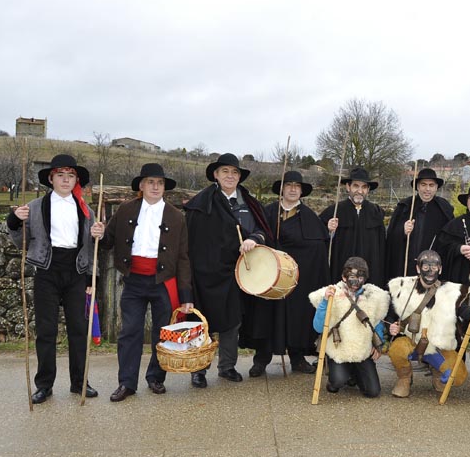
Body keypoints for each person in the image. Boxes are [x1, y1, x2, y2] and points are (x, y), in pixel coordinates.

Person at [90, 164, 194, 401]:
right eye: (150, 182)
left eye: (160, 183)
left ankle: (156, 378)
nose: (155, 187)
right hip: (134, 281)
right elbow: (108, 242)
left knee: (162, 332)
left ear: (164, 187)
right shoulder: (126, 210)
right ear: (141, 185)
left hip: (163, 281)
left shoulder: (177, 217)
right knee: (130, 332)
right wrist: (99, 232)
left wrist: (186, 296)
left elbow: (183, 258)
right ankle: (127, 383)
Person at [6, 153, 98, 403]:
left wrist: (98, 238)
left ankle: (79, 382)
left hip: (76, 271)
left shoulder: (86, 210)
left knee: (79, 330)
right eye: (61, 176)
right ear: (51, 178)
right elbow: (20, 242)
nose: (66, 180)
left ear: (76, 180)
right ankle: (44, 385)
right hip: (46, 270)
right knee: (46, 331)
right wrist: (15, 221)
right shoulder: (35, 207)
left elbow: (91, 248)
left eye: (71, 176)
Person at [184, 153, 271, 388]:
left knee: (232, 321)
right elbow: (190, 241)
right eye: (225, 171)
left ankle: (227, 367)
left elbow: (263, 231)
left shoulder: (248, 203)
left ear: (240, 177)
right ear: (215, 174)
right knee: (202, 322)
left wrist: (254, 238)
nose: (230, 176)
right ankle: (199, 369)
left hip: (236, 273)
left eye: (234, 172)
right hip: (205, 273)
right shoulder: (200, 204)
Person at [249, 171, 329, 376]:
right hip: (268, 277)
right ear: (282, 189)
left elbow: (318, 248)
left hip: (296, 279)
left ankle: (297, 357)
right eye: (289, 185)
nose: (293, 189)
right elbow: (258, 235)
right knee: (266, 315)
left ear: (301, 191)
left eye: (297, 186)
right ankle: (261, 359)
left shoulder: (310, 217)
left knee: (296, 317)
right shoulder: (268, 212)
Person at [386, 250, 470, 397]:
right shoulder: (402, 287)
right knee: (397, 350)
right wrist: (391, 326)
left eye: (435, 267)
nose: (430, 271)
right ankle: (404, 378)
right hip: (411, 341)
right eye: (426, 267)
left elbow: (465, 312)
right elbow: (391, 315)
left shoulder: (453, 292)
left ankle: (437, 371)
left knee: (458, 377)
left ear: (441, 268)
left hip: (438, 346)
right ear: (418, 268)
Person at [309, 257, 389, 398]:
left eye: (360, 277)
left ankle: (354, 374)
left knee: (373, 392)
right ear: (344, 277)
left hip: (361, 351)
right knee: (338, 382)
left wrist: (378, 345)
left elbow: (377, 322)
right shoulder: (332, 294)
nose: (356, 281)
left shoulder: (373, 296)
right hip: (339, 349)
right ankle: (337, 379)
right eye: (352, 277)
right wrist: (325, 303)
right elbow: (318, 328)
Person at [320, 167, 386, 287]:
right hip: (341, 273)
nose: (360, 191)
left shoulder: (376, 212)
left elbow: (382, 247)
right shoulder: (334, 211)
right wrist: (329, 231)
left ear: (368, 189)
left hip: (369, 275)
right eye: (356, 186)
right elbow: (320, 242)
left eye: (364, 187)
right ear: (348, 187)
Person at [385, 168, 453, 281]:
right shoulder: (405, 207)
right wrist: (402, 231)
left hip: (431, 268)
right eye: (423, 184)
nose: (427, 189)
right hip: (406, 266)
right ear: (417, 187)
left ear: (436, 188)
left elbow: (449, 241)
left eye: (431, 185)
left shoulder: (444, 209)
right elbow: (391, 236)